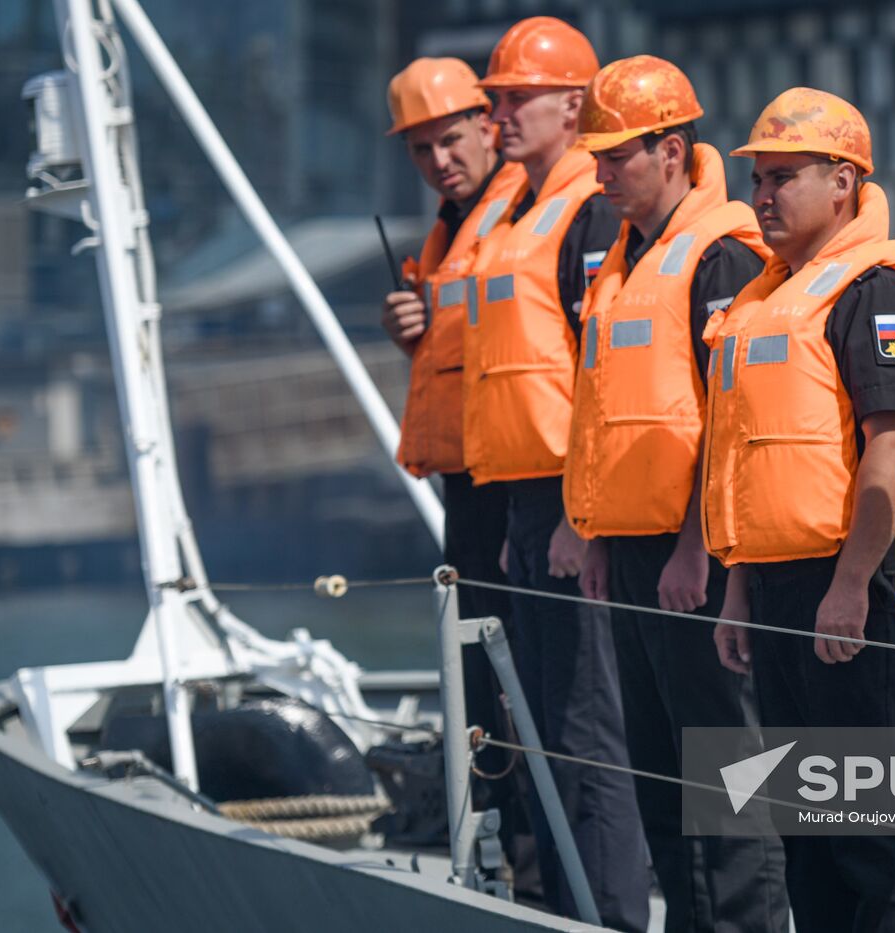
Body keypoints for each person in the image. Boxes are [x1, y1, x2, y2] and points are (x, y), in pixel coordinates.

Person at [703, 87, 895, 932]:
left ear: (844, 180)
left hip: (852, 586)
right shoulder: (773, 294)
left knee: (875, 824)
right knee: (806, 820)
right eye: (757, 179)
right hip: (780, 589)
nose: (762, 197)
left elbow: (893, 446)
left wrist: (852, 586)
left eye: (782, 177)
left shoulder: (878, 288)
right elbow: (749, 461)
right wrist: (739, 589)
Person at [562, 55, 788, 933]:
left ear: (673, 150)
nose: (602, 171)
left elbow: (728, 416)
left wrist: (697, 546)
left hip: (693, 554)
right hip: (633, 553)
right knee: (659, 764)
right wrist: (597, 537)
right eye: (598, 154)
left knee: (726, 767)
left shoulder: (721, 256)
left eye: (618, 153)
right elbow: (610, 419)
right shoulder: (620, 262)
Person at [463, 17, 647, 931]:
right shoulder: (518, 209)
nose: (499, 112)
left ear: (573, 104)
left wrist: (580, 512)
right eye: (494, 98)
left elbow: (597, 374)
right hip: (528, 500)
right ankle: (552, 905)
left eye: (515, 97)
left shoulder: (583, 212)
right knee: (536, 712)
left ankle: (607, 913)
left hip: (573, 499)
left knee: (585, 727)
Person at [377, 56, 529, 879]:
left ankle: (545, 863)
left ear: (487, 127)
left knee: (523, 672)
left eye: (452, 137)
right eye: (421, 147)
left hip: (516, 482)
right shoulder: (448, 233)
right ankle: (511, 850)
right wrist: (415, 335)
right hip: (468, 484)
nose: (440, 159)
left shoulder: (519, 215)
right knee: (482, 672)